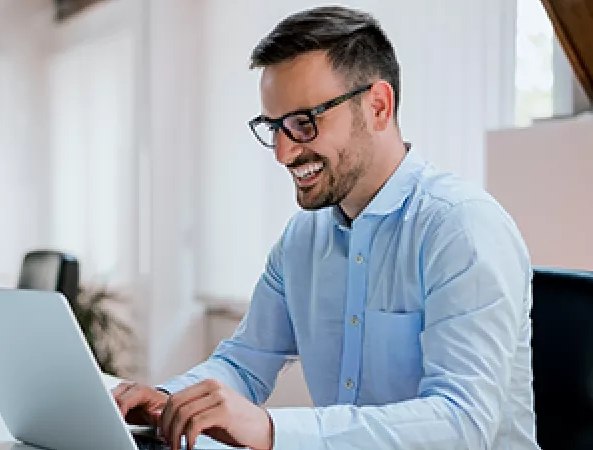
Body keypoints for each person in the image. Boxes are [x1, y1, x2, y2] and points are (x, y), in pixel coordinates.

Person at [112, 5, 538, 450]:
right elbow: (244, 362)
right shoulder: (303, 238)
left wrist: (271, 430)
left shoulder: (462, 228)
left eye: (303, 123)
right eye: (273, 127)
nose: (282, 153)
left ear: (377, 106)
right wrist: (167, 401)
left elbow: (463, 424)